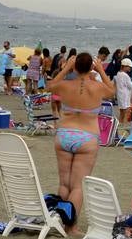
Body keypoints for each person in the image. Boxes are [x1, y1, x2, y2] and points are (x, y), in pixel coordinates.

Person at [46, 52, 115, 226]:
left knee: (64, 183)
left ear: (75, 66)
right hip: (87, 136)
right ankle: (71, 226)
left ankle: (58, 221)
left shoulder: (65, 86)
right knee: (78, 186)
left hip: (64, 134)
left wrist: (66, 68)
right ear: (91, 67)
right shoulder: (97, 87)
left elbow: (49, 85)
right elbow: (112, 91)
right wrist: (100, 69)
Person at [115, 58, 132, 123]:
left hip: (120, 96)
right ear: (125, 66)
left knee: (121, 114)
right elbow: (131, 86)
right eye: (129, 67)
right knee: (126, 114)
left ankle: (120, 127)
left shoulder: (118, 74)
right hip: (125, 97)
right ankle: (124, 128)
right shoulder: (125, 76)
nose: (130, 69)